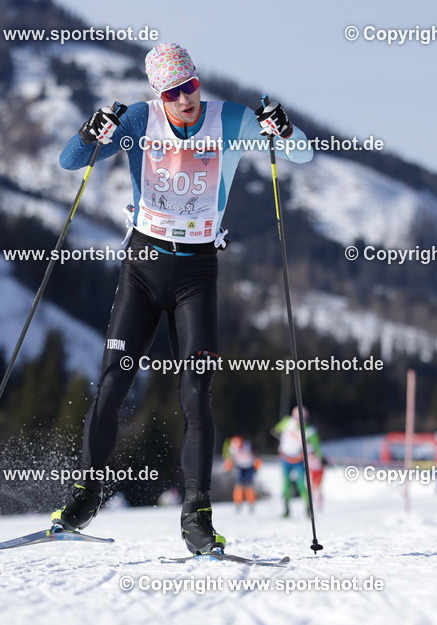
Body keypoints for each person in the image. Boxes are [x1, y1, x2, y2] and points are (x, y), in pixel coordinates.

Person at [50, 43, 314, 554]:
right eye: (173, 92)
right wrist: (91, 130)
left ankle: (196, 515)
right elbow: (70, 162)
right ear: (158, 94)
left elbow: (301, 153)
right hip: (143, 268)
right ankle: (85, 494)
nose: (186, 98)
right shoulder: (135, 120)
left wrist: (284, 127)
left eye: (190, 85)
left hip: (197, 272)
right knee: (111, 385)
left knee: (196, 393)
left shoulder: (229, 119)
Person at [272, 407, 323, 518]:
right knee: (286, 484)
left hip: (299, 460)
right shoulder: (287, 422)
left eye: (303, 419)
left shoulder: (309, 431)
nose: (300, 421)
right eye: (297, 418)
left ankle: (308, 509)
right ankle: (286, 509)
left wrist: (315, 453)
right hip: (285, 458)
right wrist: (281, 436)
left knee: (301, 485)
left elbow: (317, 447)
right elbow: (275, 431)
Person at [222, 436, 261, 512]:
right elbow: (230, 459)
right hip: (239, 467)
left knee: (249, 485)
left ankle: (251, 503)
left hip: (249, 467)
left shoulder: (248, 446)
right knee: (239, 485)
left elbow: (257, 457)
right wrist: (227, 468)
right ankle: (238, 503)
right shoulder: (233, 448)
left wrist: (256, 467)